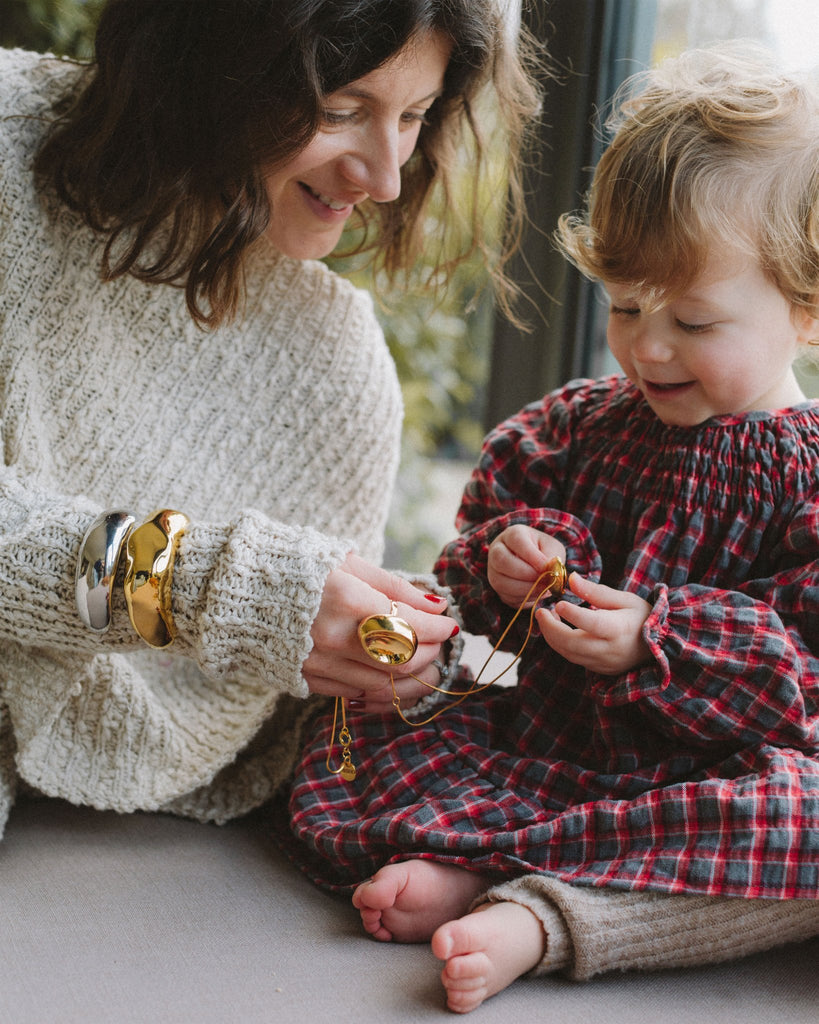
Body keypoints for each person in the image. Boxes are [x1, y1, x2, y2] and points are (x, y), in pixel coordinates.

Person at [287, 42, 819, 1012]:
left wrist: (661, 642)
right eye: (622, 305)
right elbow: (468, 571)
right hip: (532, 743)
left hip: (689, 788)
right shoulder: (577, 422)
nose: (648, 345)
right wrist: (511, 553)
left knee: (805, 813)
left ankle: (538, 909)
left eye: (695, 322)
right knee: (343, 715)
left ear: (808, 309)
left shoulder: (810, 476)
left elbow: (801, 676)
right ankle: (485, 863)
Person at [0, 0, 542, 839]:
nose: (387, 175)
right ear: (211, 62)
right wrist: (196, 587)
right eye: (340, 111)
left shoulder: (335, 372)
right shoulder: (9, 144)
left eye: (412, 117)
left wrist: (403, 658)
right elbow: (213, 596)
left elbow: (293, 703)